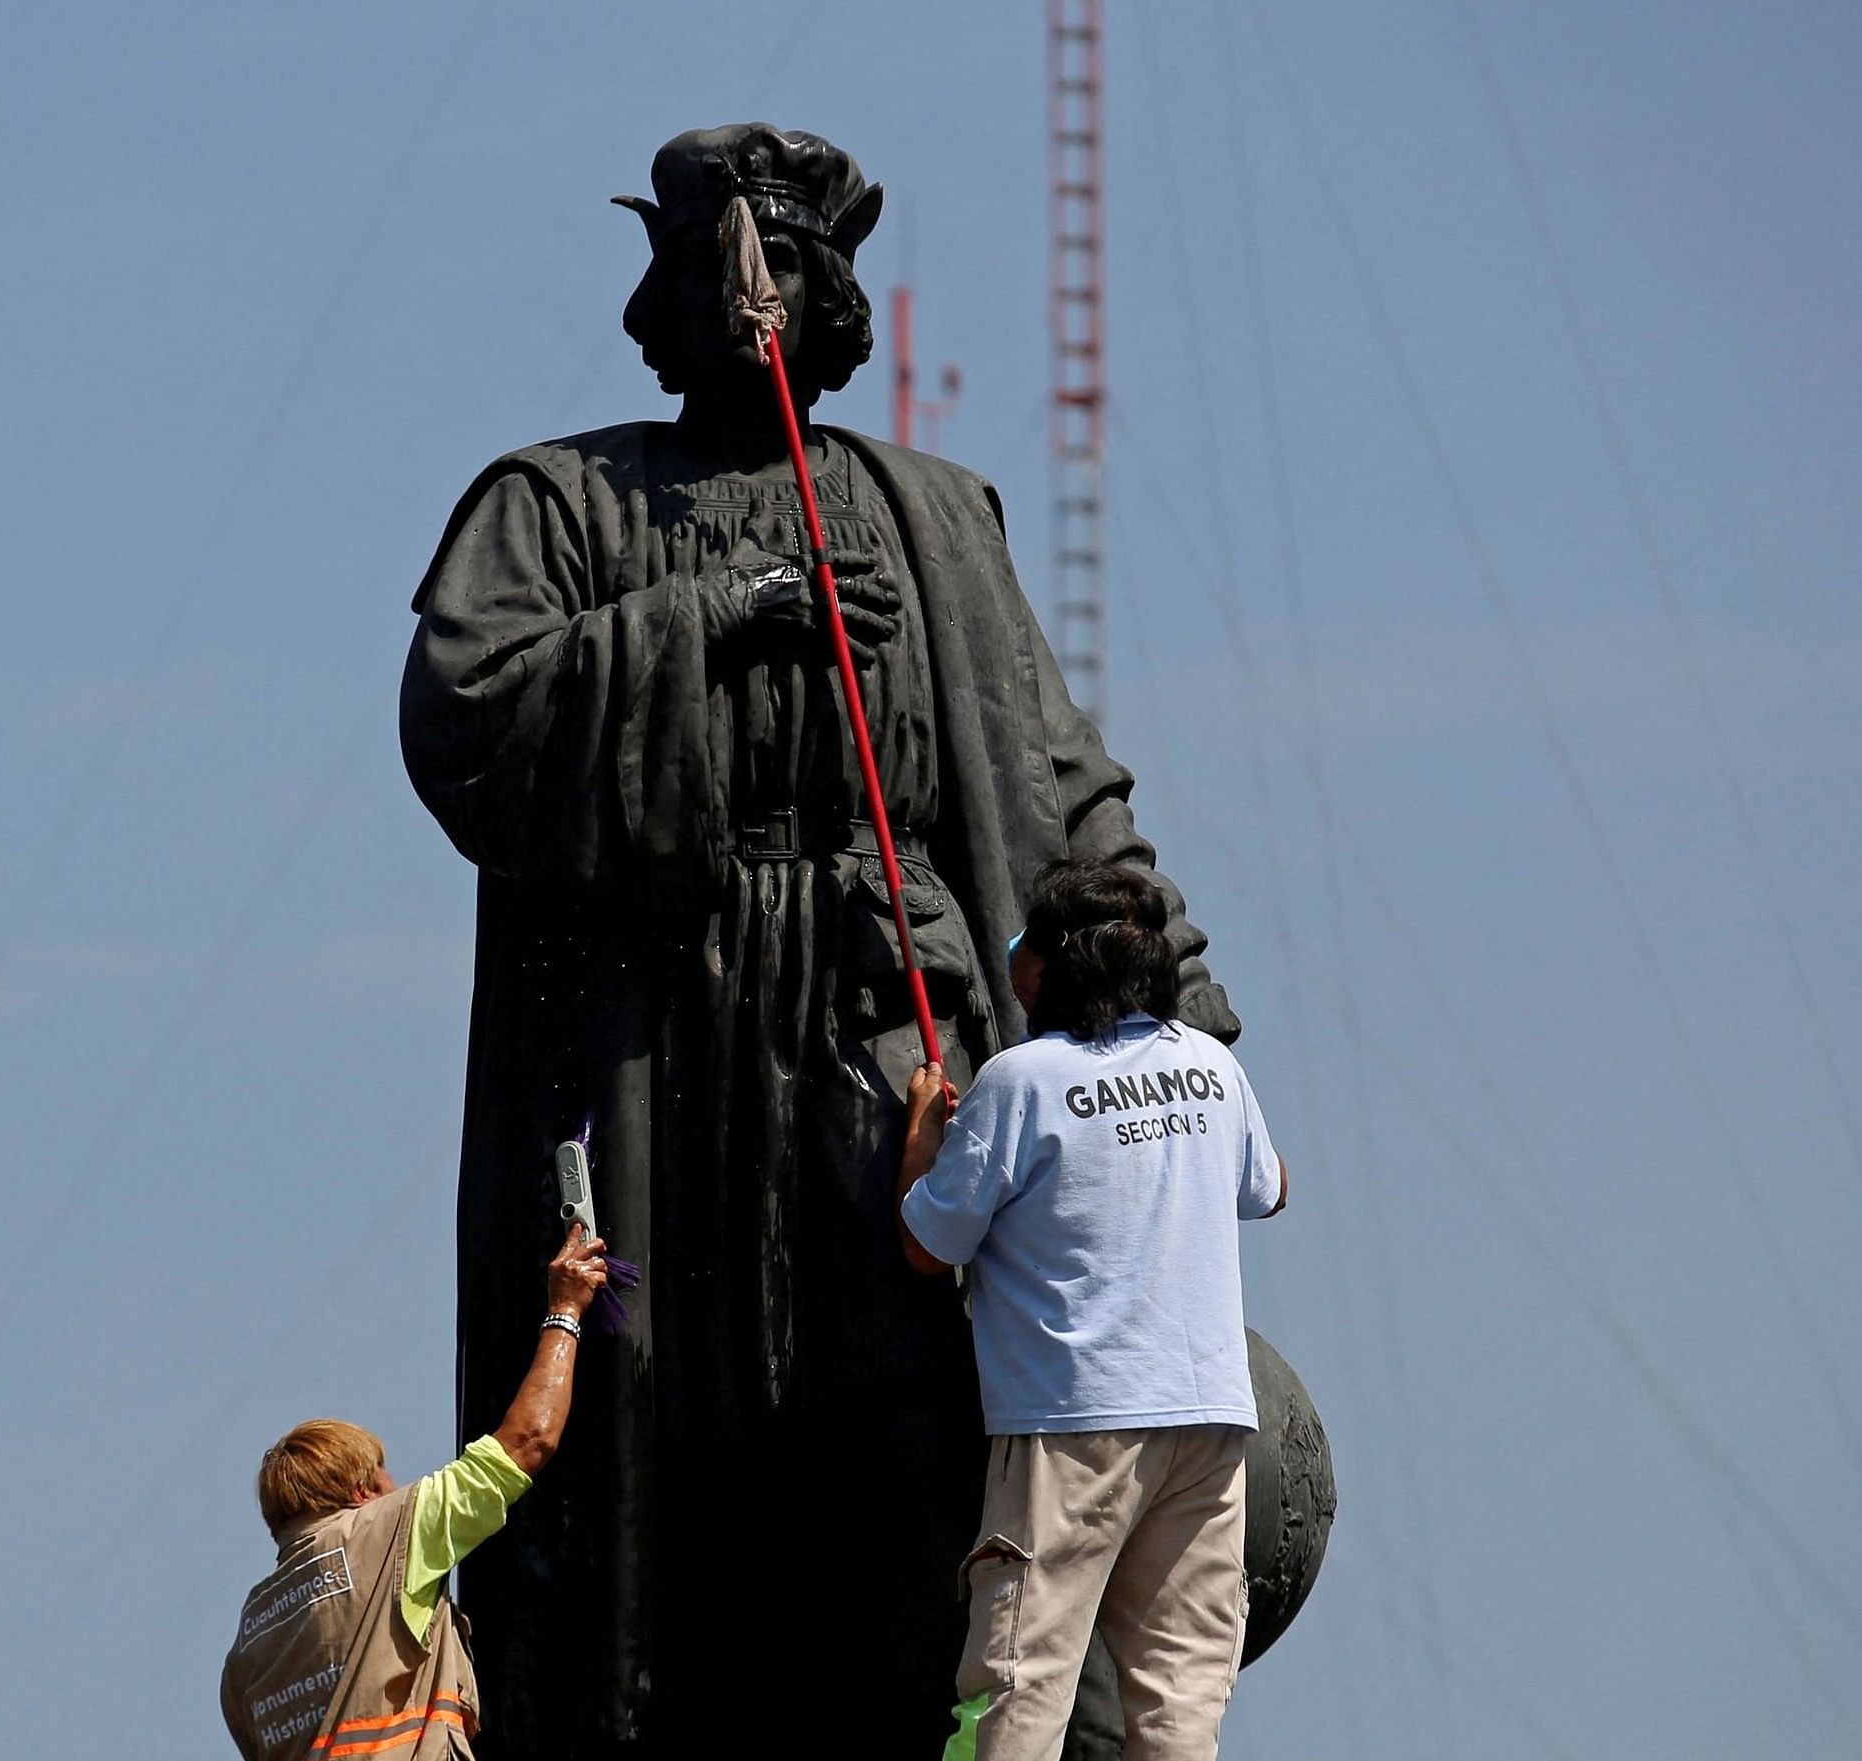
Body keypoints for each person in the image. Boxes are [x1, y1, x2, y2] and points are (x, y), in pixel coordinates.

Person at [399, 121, 1239, 1757]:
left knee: (918, 1428)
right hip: (662, 1050)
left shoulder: (932, 515)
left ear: (830, 290)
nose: (749, 290)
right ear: (661, 296)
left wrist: (1176, 1012)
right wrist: (718, 619)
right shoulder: (556, 504)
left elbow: (1054, 779)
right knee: (663, 1438)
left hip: (884, 1037)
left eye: (779, 256)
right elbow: (471, 716)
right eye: (716, 257)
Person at [896, 860, 1291, 1761]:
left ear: (1050, 968)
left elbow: (928, 1244)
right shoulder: (1211, 1068)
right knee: (1183, 1690)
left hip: (1073, 1424)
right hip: (1208, 1420)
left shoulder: (1020, 1080)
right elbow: (1270, 1188)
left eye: (1027, 944)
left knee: (1015, 1683)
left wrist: (923, 1138)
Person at [218, 1225, 609, 1761]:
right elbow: (528, 1441)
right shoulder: (389, 1534)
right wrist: (566, 1309)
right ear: (362, 1491)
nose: (397, 1488)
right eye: (387, 1478)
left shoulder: (249, 1640)